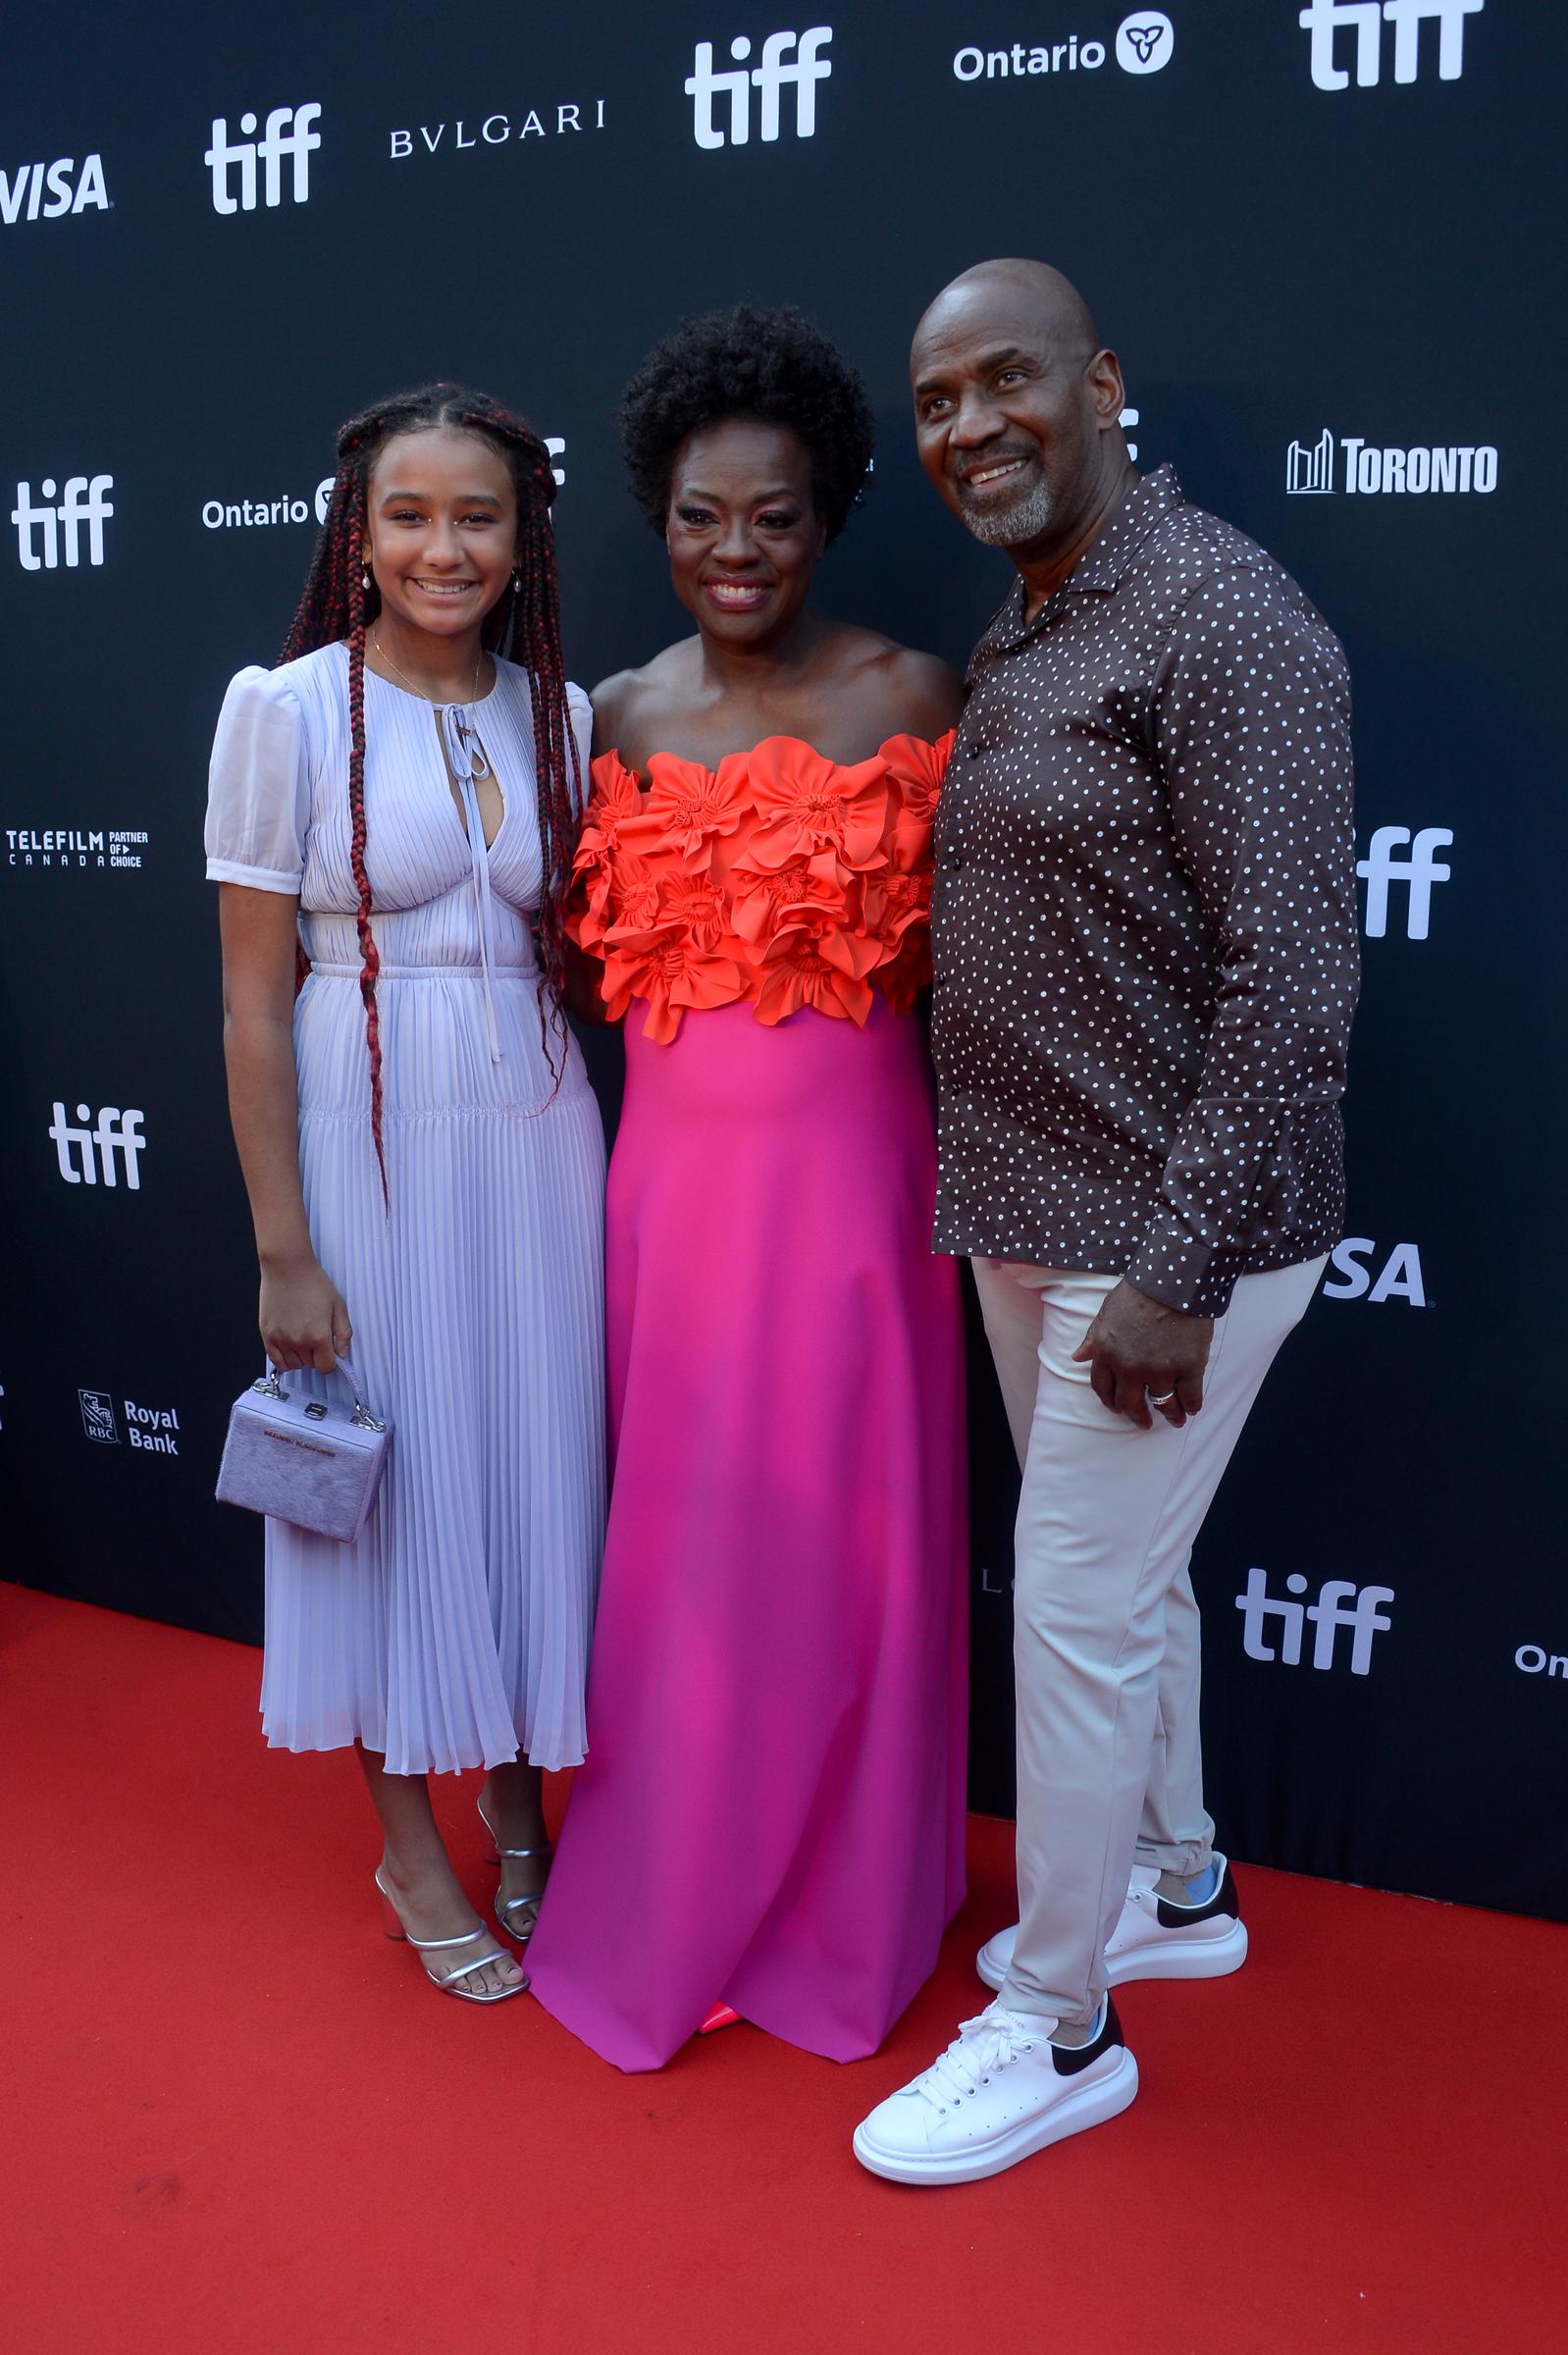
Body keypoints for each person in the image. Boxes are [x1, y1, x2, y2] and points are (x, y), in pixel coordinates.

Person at [853, 260, 1358, 2181]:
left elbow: (1295, 979)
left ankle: (1060, 2026)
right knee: (1122, 1587)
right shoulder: (1031, 627)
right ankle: (1175, 1881)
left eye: (1010, 381)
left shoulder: (1222, 616)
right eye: (939, 399)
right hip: (1032, 1208)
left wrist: (1174, 1269)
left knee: (1071, 1604)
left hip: (1169, 1241)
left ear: (1103, 384)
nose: (973, 424)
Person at [525, 306, 968, 2069]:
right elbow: (575, 970)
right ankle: (682, 1882)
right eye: (702, 517)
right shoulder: (612, 718)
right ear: (657, 514)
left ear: (829, 513)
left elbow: (985, 961)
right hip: (671, 1206)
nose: (734, 552)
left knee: (856, 1555)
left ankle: (848, 1906)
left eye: (772, 516)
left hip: (859, 1198)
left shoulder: (919, 693)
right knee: (691, 1560)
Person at [205, 384, 605, 2003]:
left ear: (524, 537)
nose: (446, 547)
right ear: (355, 535)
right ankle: (408, 1840)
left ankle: (518, 1789)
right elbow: (246, 1003)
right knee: (385, 1487)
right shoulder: (285, 711)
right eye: (410, 515)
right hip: (368, 1139)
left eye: (480, 516)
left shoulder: (563, 716)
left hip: (537, 1131)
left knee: (530, 1470)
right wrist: (281, 1246)